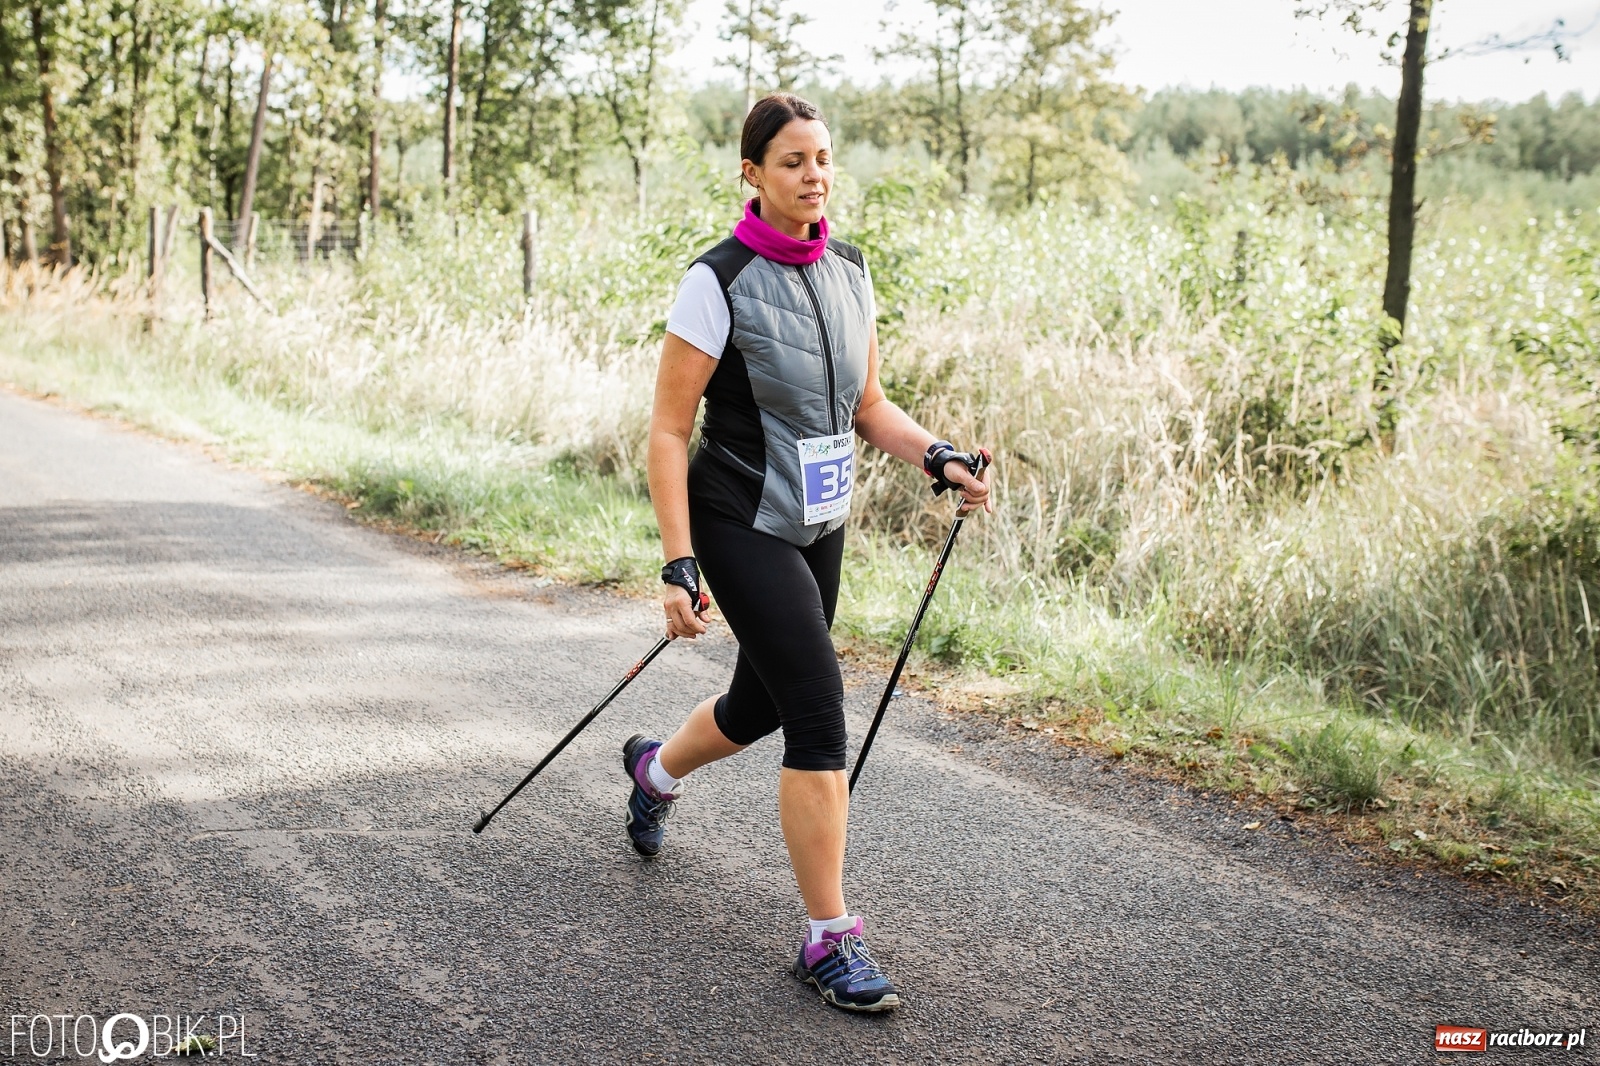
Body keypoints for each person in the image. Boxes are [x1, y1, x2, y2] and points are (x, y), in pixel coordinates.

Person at [625, 91, 993, 1014]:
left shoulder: (852, 271)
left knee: (762, 701)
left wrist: (937, 455)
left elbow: (867, 408)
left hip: (818, 520)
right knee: (820, 707)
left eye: (823, 159)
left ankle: (654, 772)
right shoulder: (716, 280)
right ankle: (830, 939)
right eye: (792, 162)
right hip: (737, 517)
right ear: (752, 174)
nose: (813, 177)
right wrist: (679, 561)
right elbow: (669, 432)